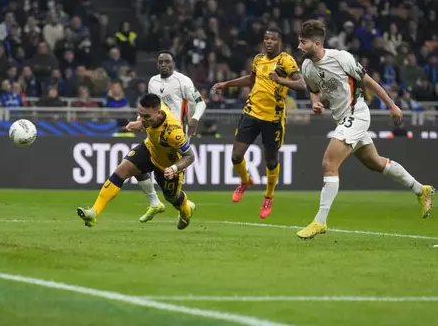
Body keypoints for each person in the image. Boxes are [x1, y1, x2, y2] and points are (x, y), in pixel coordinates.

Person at [296, 19, 435, 239]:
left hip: (357, 115)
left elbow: (369, 81)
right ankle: (421, 189)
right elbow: (314, 89)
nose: (299, 46)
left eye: (303, 42)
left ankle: (319, 221)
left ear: (316, 43)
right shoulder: (306, 66)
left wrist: (392, 105)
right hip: (341, 119)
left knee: (329, 163)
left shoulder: (341, 58)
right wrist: (315, 102)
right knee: (375, 163)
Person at [212, 27, 304, 218]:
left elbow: (302, 84)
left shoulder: (286, 61)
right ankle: (245, 181)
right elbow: (251, 80)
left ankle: (268, 196)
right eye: (266, 39)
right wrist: (227, 84)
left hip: (273, 119)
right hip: (251, 113)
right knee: (236, 156)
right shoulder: (258, 59)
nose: (268, 42)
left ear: (280, 42)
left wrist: (280, 80)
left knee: (271, 161)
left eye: (272, 39)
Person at [77, 94, 197, 230]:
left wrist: (174, 168)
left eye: (146, 117)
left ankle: (186, 210)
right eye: (140, 114)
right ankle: (93, 212)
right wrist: (139, 122)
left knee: (172, 198)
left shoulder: (173, 132)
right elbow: (144, 119)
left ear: (158, 114)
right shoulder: (154, 111)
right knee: (122, 170)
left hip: (167, 165)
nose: (142, 119)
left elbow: (190, 156)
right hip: (149, 149)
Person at [127, 51, 207, 223]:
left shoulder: (183, 81)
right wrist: (140, 122)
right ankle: (156, 202)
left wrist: (194, 119)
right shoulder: (153, 82)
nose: (163, 65)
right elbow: (149, 107)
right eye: (160, 62)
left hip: (175, 136)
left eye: (167, 62)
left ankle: (184, 207)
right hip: (156, 135)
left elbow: (201, 103)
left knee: (171, 192)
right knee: (138, 166)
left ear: (173, 63)